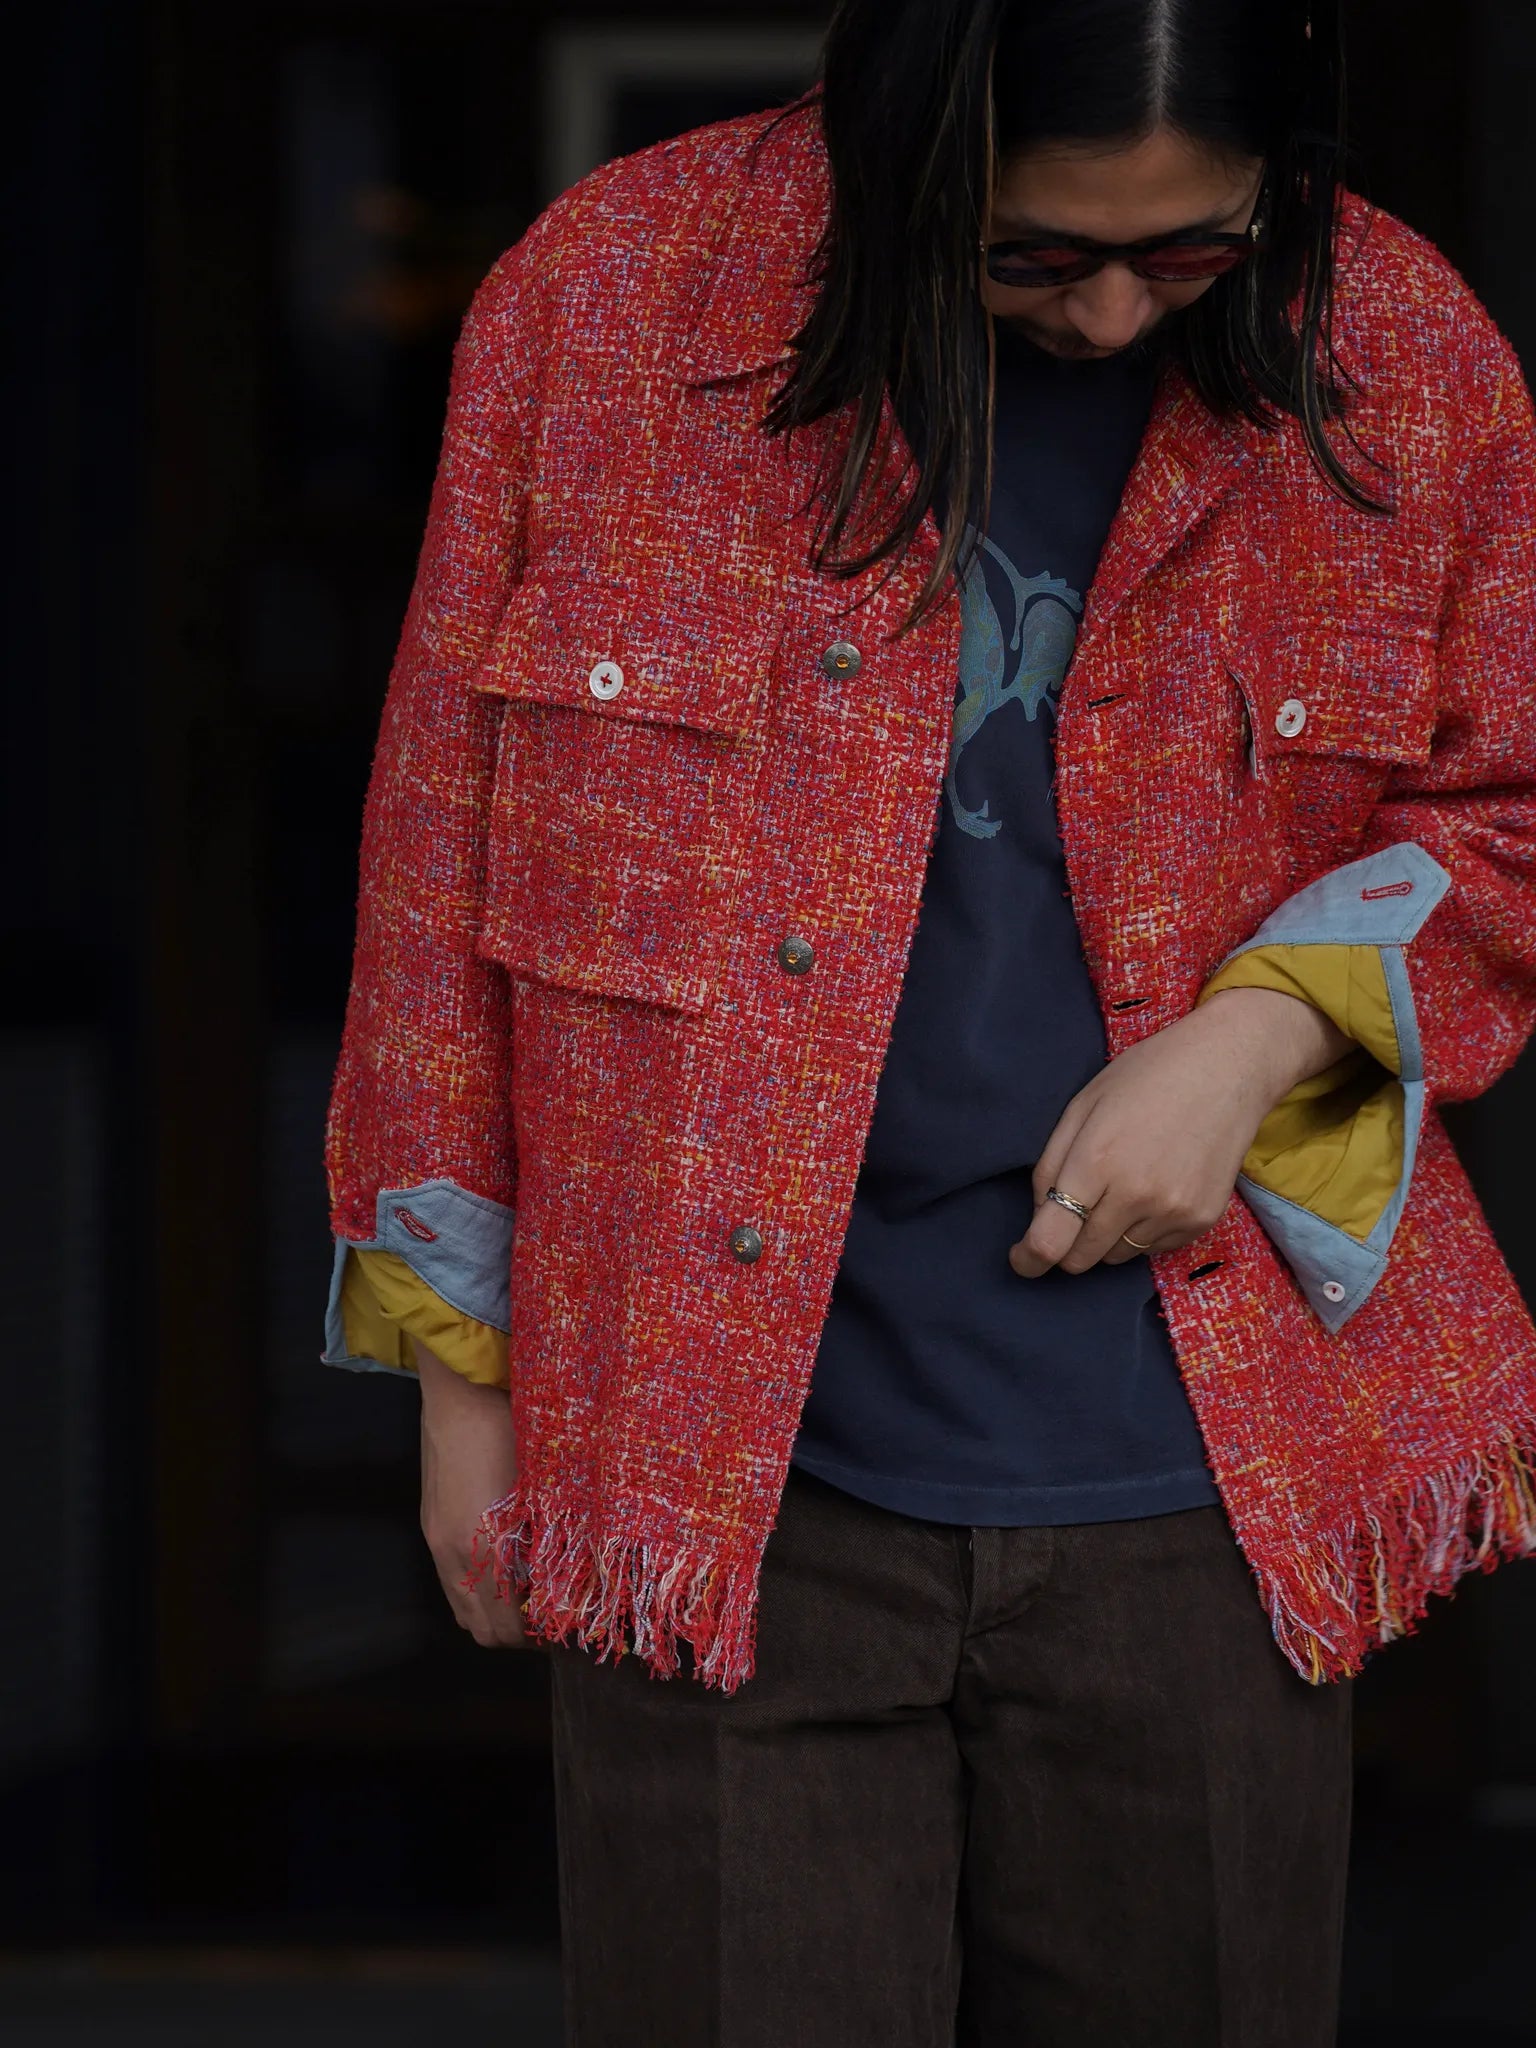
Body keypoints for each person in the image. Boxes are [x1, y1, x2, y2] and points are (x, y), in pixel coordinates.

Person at [319, 1, 1536, 2040]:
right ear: (901, 149)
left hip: (1203, 1470)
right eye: (1036, 252)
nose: (1114, 314)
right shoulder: (610, 300)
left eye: (1194, 251)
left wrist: (1255, 1035)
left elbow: (1507, 809)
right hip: (713, 1459)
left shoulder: (1400, 353)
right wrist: (463, 1386)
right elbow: (441, 856)